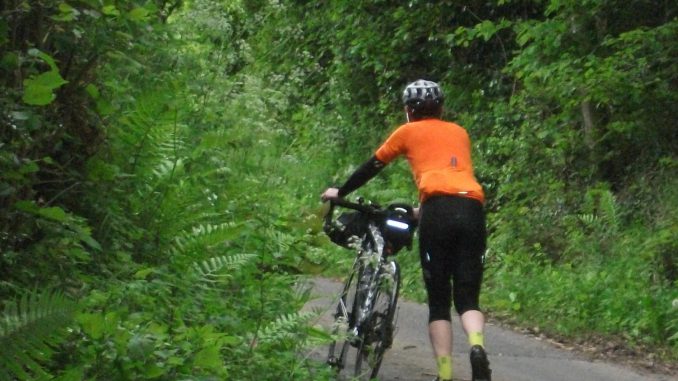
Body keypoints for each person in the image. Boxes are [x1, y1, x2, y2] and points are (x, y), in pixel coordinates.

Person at [321, 79, 492, 381]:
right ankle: (477, 347)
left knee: (439, 302)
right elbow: (452, 180)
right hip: (471, 210)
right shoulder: (459, 132)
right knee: (467, 298)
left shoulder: (408, 131)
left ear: (409, 111)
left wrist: (342, 191)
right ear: (441, 108)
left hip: (437, 212)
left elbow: (373, 165)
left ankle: (446, 374)